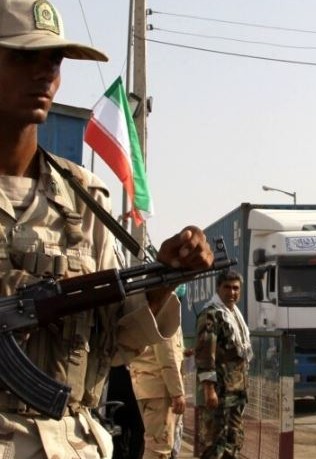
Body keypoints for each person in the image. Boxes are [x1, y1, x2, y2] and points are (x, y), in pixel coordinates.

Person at [0, 1, 215, 457]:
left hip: (72, 442)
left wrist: (162, 279)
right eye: (22, 57)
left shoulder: (83, 199)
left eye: (53, 60)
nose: (44, 74)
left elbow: (114, 344)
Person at [194, 270, 252, 459]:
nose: (232, 292)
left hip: (236, 393)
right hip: (219, 393)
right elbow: (205, 356)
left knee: (233, 443)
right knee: (213, 446)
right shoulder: (211, 314)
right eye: (227, 287)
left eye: (236, 288)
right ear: (218, 288)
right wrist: (209, 390)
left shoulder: (234, 315)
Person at [129, 326, 186, 459]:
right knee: (159, 450)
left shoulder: (144, 307)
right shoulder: (165, 308)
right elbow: (167, 353)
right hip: (160, 387)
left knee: (155, 445)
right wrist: (177, 392)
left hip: (146, 384)